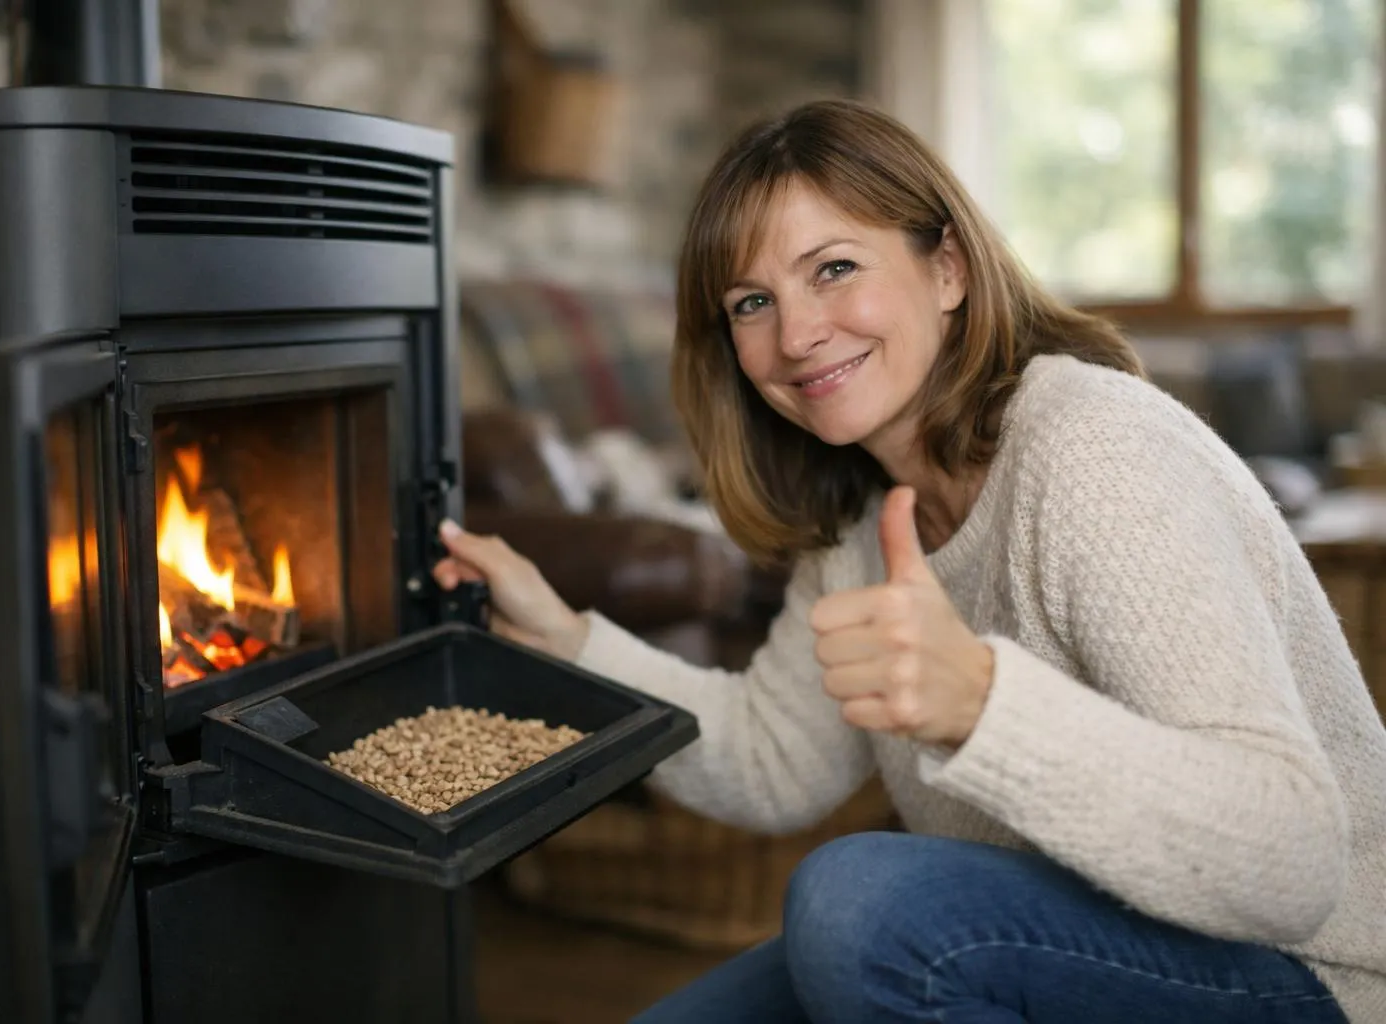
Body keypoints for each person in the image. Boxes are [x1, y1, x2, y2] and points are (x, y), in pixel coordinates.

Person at [433, 99, 1386, 1023]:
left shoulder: (1093, 450)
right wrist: (568, 640)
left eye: (835, 268)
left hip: (1308, 973)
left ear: (950, 269)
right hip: (1064, 933)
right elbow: (772, 764)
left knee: (857, 906)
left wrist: (981, 703)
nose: (796, 336)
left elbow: (1293, 861)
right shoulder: (860, 517)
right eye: (752, 302)